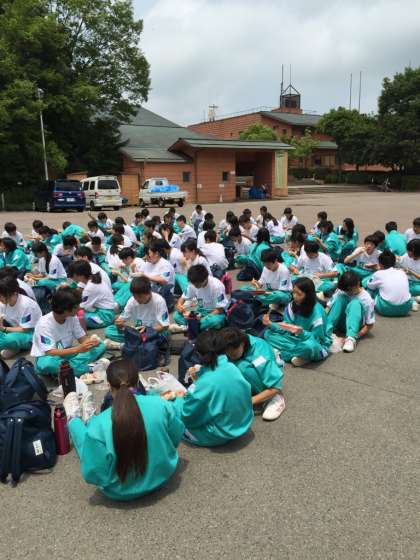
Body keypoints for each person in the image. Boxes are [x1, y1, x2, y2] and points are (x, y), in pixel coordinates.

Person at [65, 359, 184, 500]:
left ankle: (74, 417)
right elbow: (175, 436)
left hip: (120, 491)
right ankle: (80, 418)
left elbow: (93, 472)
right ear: (138, 382)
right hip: (161, 476)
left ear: (109, 386)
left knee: (85, 434)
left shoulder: (99, 424)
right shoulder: (161, 405)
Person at [169, 330, 253, 447]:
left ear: (198, 354)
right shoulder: (232, 368)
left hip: (218, 434)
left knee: (171, 414)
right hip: (242, 424)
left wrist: (178, 400)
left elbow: (187, 416)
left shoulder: (203, 384)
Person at [31, 287, 106, 377]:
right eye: (76, 307)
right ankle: (89, 368)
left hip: (67, 353)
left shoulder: (72, 317)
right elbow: (49, 352)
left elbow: (82, 339)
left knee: (101, 345)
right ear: (65, 309)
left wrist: (91, 343)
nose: (79, 308)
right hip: (49, 357)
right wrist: (78, 349)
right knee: (48, 364)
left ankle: (67, 368)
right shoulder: (44, 324)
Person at [263, 277, 331, 367]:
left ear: (308, 295)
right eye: (294, 292)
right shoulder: (291, 306)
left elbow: (318, 339)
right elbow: (286, 328)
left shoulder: (317, 312)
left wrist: (302, 333)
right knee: (268, 334)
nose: (294, 296)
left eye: (299, 294)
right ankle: (302, 355)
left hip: (314, 342)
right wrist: (271, 324)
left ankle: (283, 355)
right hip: (295, 339)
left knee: (309, 346)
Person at [221, 327, 286, 421]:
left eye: (233, 354)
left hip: (268, 374)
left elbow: (276, 387)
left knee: (242, 367)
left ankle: (275, 398)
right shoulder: (228, 346)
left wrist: (250, 401)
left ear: (242, 344)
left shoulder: (260, 355)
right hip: (247, 367)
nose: (230, 355)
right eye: (227, 353)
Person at [105, 277, 169, 345]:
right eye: (134, 296)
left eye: (140, 297)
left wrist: (146, 330)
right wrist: (119, 323)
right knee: (109, 330)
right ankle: (139, 343)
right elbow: (122, 320)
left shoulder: (159, 301)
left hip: (152, 332)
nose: (137, 299)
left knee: (161, 335)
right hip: (138, 331)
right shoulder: (132, 301)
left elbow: (164, 326)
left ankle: (129, 344)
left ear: (149, 292)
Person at [326, 271, 375, 353]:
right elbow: (328, 308)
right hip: (340, 324)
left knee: (355, 303)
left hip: (355, 326)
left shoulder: (366, 299)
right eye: (346, 291)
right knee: (340, 298)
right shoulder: (341, 291)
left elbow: (369, 325)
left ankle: (351, 339)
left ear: (358, 283)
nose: (348, 293)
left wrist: (357, 335)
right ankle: (326, 331)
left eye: (350, 290)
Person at [174, 264, 228, 331]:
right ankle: (197, 327)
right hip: (200, 308)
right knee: (177, 315)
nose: (195, 286)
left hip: (214, 312)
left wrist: (202, 319)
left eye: (197, 284)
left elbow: (220, 309)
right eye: (194, 284)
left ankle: (189, 327)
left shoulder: (217, 286)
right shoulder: (193, 283)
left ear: (205, 278)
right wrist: (180, 306)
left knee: (215, 321)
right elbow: (183, 298)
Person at [0, 276, 42, 359]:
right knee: (5, 350)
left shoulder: (26, 305)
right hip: (14, 331)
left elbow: (25, 329)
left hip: (31, 334)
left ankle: (15, 344)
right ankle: (16, 346)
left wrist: (4, 329)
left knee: (7, 339)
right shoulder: (4, 302)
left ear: (15, 293)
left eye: (3, 296)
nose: (1, 298)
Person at [366, 250, 415, 316]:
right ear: (394, 262)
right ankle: (413, 302)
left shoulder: (378, 274)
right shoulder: (402, 272)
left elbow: (369, 286)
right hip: (405, 309)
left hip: (386, 309)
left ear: (380, 263)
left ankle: (367, 304)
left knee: (372, 290)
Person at [69, 261, 116, 329]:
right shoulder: (94, 278)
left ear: (80, 275)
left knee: (74, 317)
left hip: (105, 317)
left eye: (73, 275)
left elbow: (81, 307)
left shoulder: (90, 287)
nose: (72, 278)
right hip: (107, 313)